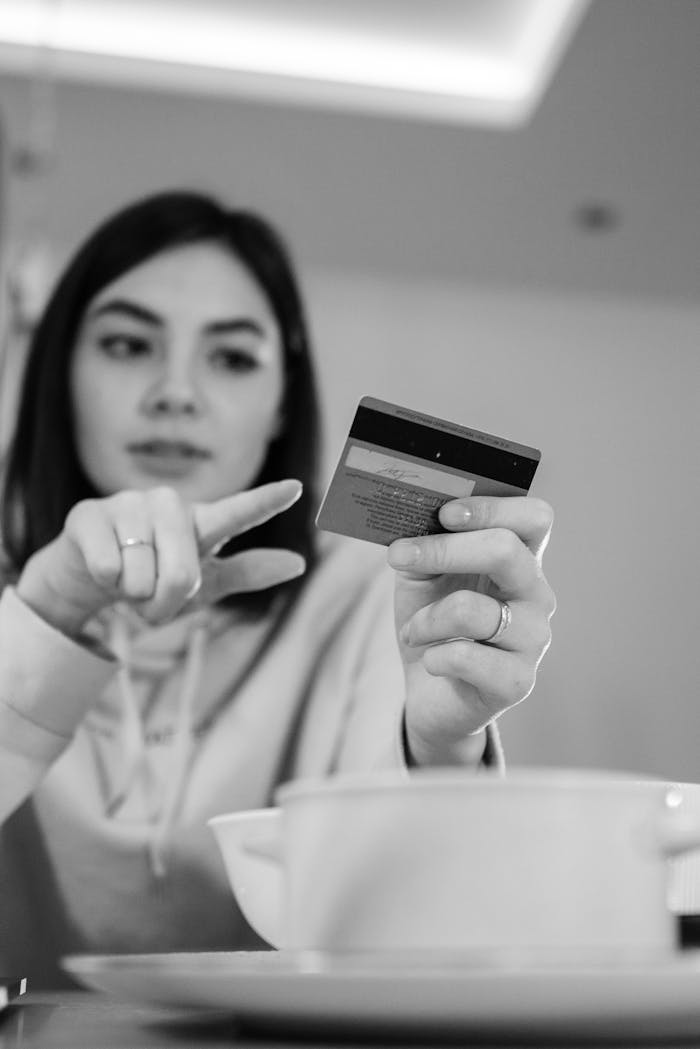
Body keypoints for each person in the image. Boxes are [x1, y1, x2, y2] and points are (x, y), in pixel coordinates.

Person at [0, 191, 556, 985]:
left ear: (281, 403)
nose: (176, 392)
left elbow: (404, 946)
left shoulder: (376, 593)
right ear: (60, 377)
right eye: (127, 344)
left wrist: (438, 751)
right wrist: (42, 620)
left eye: (231, 357)